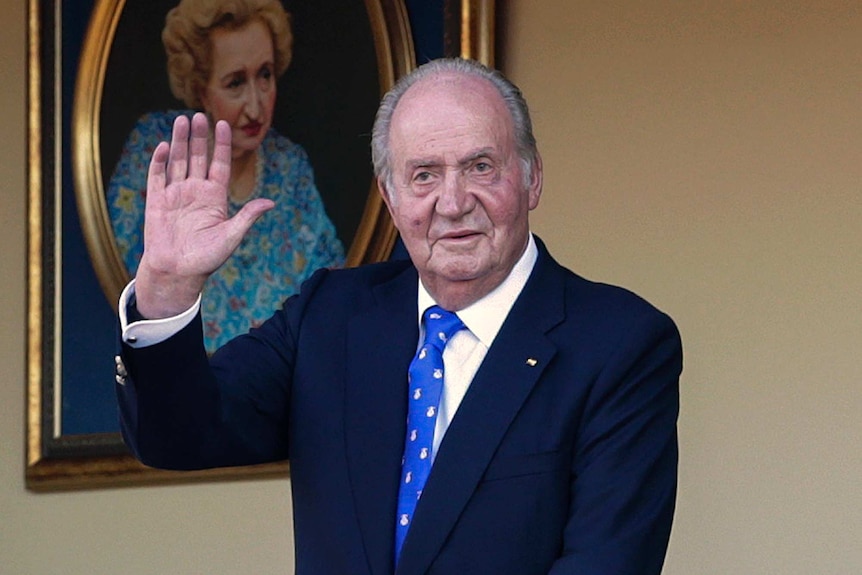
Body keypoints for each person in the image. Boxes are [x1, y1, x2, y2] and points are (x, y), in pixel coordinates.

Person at [115, 58, 682, 574]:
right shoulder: (329, 319)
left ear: (531, 177)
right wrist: (166, 286)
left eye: (481, 166)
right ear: (389, 196)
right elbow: (177, 437)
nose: (453, 201)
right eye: (424, 175)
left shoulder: (619, 345)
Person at [106, 0, 344, 352]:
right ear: (200, 87)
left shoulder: (289, 166)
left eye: (265, 75)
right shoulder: (154, 151)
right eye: (235, 83)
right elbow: (127, 285)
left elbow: (331, 289)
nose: (255, 105)